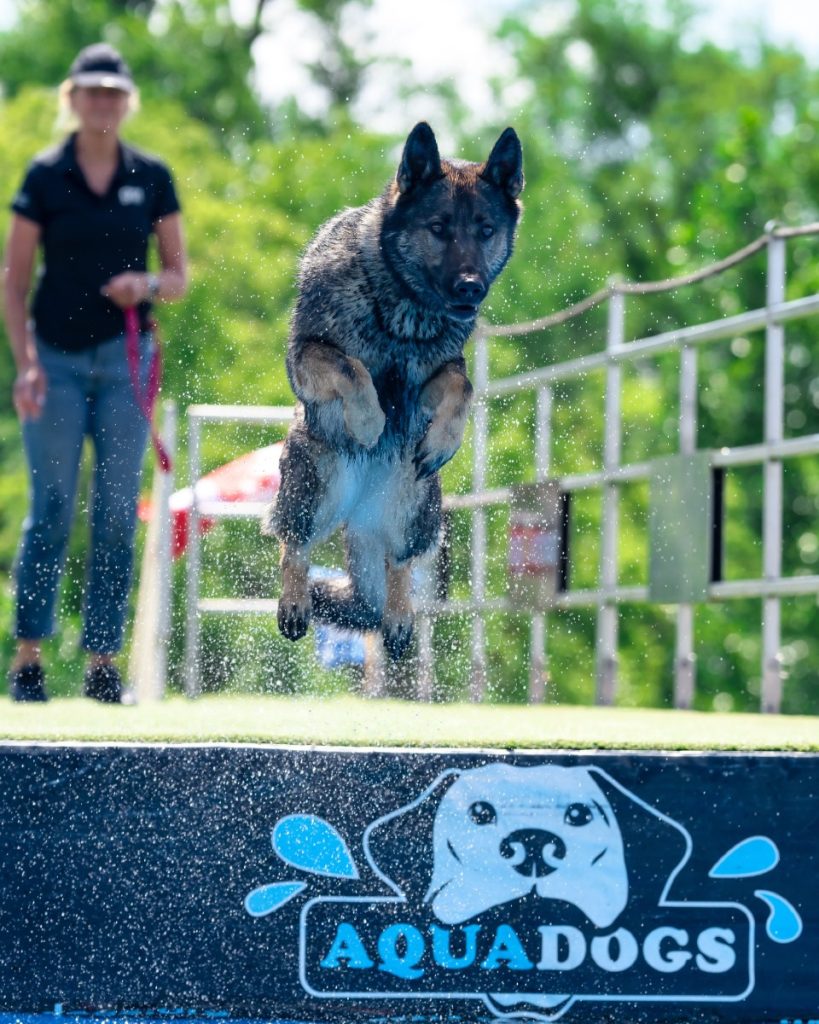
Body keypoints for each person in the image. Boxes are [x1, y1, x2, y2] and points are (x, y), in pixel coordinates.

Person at [3, 43, 188, 703]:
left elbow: (178, 277)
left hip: (123, 361)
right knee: (50, 509)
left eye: (114, 91)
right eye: (92, 90)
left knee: (114, 512)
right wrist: (25, 367)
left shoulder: (152, 175)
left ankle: (103, 663)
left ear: (125, 100)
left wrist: (146, 282)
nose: (102, 101)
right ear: (73, 98)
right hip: (52, 358)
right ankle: (28, 657)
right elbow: (13, 282)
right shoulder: (46, 176)